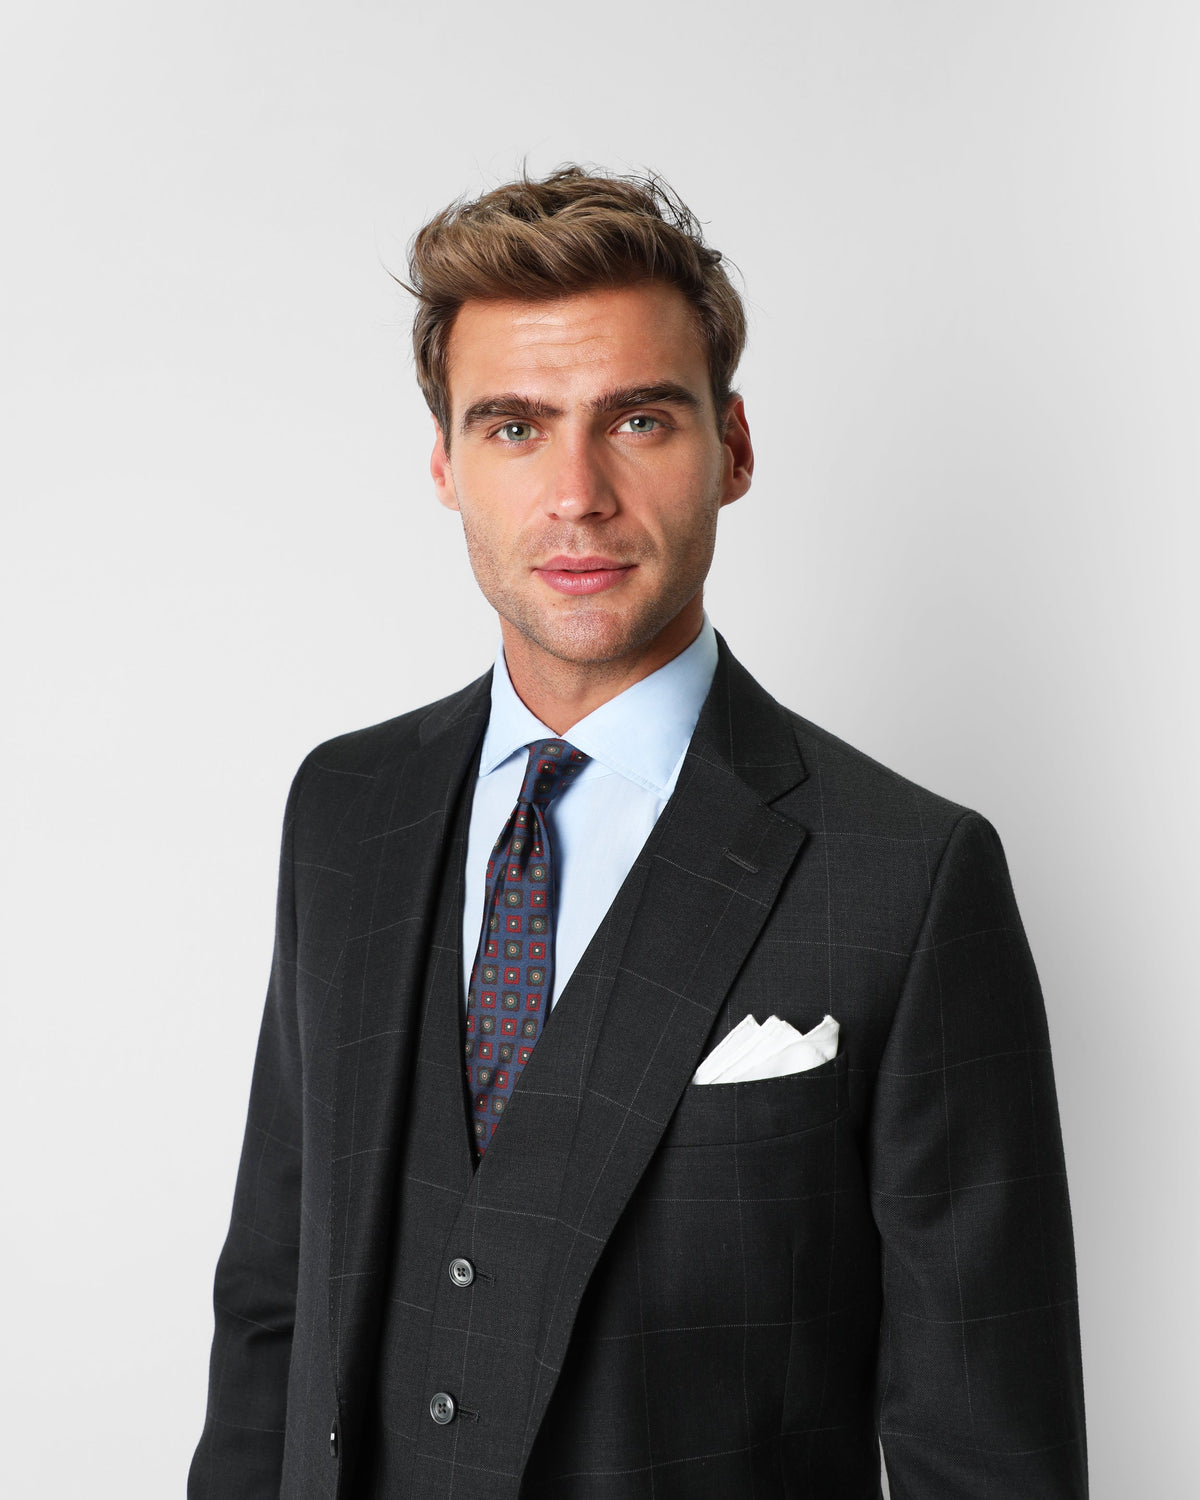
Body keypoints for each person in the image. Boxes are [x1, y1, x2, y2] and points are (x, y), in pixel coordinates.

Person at [188, 165, 1087, 1499]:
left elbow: (988, 1453)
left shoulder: (910, 876)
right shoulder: (345, 808)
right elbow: (273, 1306)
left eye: (639, 420)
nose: (577, 493)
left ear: (733, 448)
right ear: (444, 464)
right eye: (513, 426)